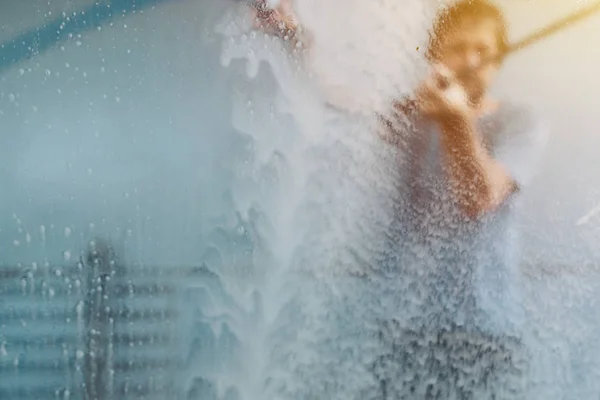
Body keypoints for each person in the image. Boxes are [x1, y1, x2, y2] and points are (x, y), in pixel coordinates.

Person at [250, 0, 548, 398]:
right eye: (459, 48)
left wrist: (455, 120)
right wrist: (294, 37)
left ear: (500, 56)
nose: (472, 59)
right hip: (404, 327)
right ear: (434, 54)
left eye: (483, 48)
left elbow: (480, 196)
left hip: (486, 334)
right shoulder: (411, 115)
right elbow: (342, 102)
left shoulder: (521, 121)